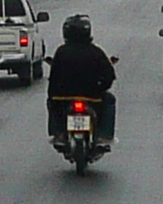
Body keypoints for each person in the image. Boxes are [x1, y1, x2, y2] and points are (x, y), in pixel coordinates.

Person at [43, 14, 118, 143]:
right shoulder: (95, 52)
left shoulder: (61, 52)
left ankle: (58, 133)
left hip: (63, 97)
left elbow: (53, 78)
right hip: (92, 96)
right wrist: (100, 89)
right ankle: (104, 135)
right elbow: (109, 76)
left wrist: (53, 95)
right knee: (109, 100)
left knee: (51, 103)